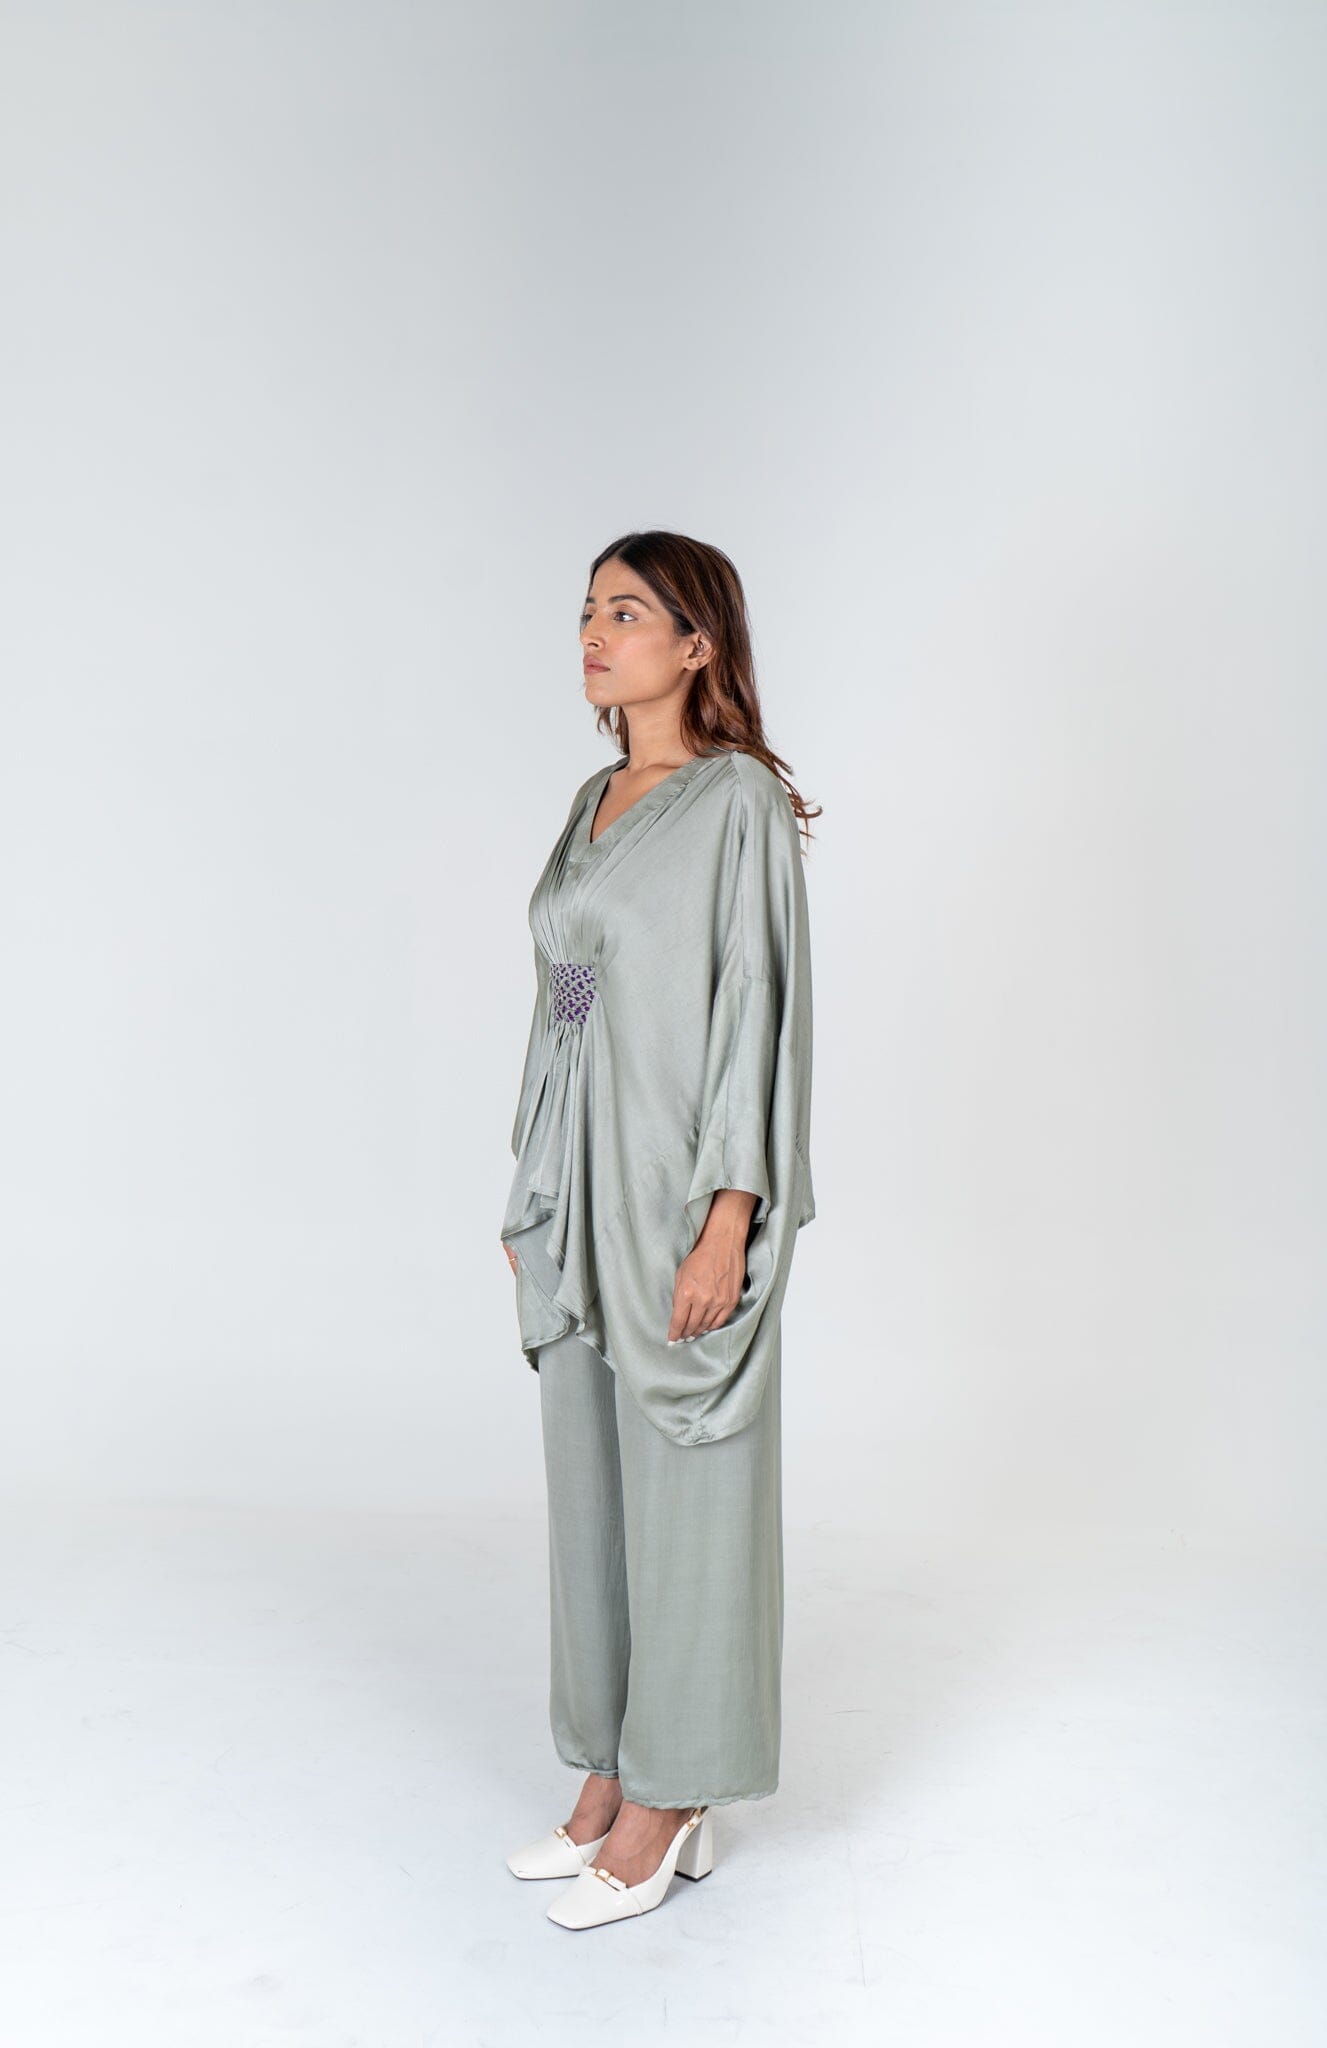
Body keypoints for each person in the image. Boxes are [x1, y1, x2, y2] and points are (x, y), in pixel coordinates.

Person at [498, 529, 818, 1930]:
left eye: (626, 613)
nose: (594, 633)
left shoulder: (736, 800)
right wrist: (533, 1175)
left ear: (697, 644)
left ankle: (678, 1788)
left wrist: (728, 1214)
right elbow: (565, 993)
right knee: (591, 1477)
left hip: (676, 1176)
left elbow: (755, 1000)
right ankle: (612, 1764)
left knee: (692, 1481)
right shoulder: (593, 800)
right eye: (588, 611)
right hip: (578, 1180)